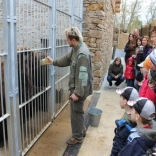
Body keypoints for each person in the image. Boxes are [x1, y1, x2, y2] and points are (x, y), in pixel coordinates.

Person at [46, 27, 93, 145]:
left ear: (73, 39)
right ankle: (81, 130)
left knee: (75, 113)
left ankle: (77, 137)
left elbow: (83, 76)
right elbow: (66, 59)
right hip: (79, 88)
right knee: (78, 112)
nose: (66, 42)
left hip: (79, 90)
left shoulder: (81, 54)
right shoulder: (76, 49)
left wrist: (77, 93)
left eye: (67, 40)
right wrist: (53, 62)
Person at [110, 87, 139, 156]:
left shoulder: (124, 125)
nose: (119, 100)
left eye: (120, 97)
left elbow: (117, 149)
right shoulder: (137, 117)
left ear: (125, 101)